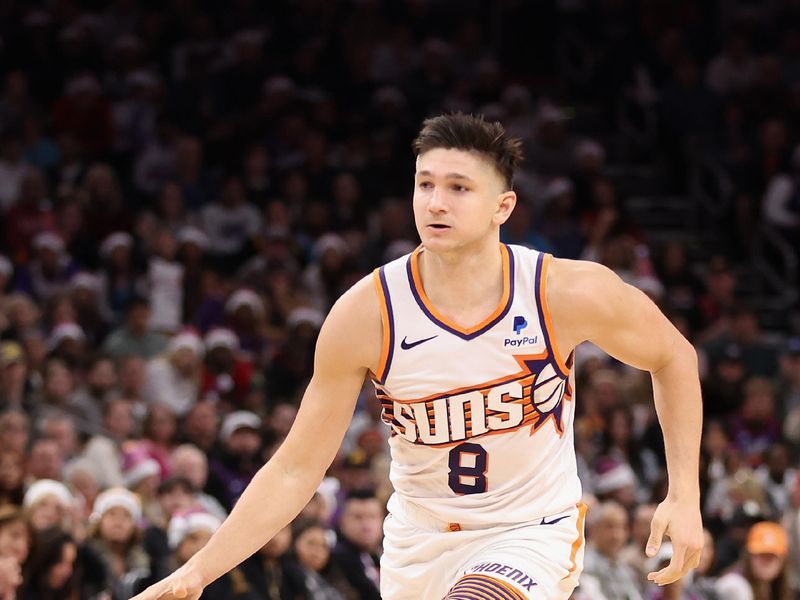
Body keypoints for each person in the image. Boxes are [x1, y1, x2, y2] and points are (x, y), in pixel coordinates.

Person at [133, 113, 703, 600]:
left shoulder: (565, 292)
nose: (436, 202)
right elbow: (295, 468)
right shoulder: (367, 313)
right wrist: (200, 570)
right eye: (424, 184)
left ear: (503, 205)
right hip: (417, 541)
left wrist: (684, 492)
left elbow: (673, 357)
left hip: (530, 530)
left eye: (459, 187)